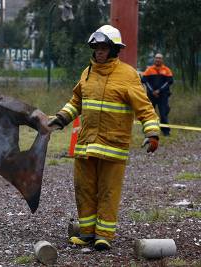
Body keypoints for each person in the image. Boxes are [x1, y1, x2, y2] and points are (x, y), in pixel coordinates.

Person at [48, 25, 160, 251]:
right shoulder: (87, 72)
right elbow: (76, 102)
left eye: (103, 47)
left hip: (112, 147)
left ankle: (104, 236)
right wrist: (61, 118)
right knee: (84, 189)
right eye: (96, 47)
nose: (99, 51)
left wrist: (152, 133)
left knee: (108, 192)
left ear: (114, 49)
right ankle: (87, 234)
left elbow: (144, 108)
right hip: (86, 146)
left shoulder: (127, 75)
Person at [142, 53, 174, 136]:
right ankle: (149, 131)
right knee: (150, 113)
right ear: (154, 59)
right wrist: (152, 91)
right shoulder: (149, 70)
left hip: (163, 96)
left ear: (162, 60)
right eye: (156, 58)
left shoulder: (167, 70)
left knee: (163, 113)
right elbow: (145, 81)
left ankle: (166, 132)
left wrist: (159, 91)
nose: (157, 59)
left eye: (159, 58)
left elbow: (169, 82)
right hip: (151, 95)